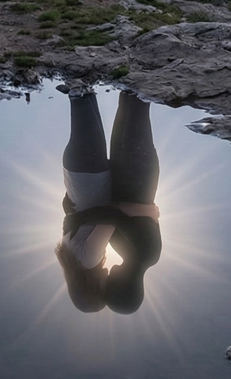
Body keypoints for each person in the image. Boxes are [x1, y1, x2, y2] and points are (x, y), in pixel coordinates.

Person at [56, 86, 162, 314]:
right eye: (111, 289)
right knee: (133, 102)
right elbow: (110, 216)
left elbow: (114, 214)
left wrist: (148, 211)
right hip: (133, 175)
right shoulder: (143, 255)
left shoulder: (123, 254)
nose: (108, 281)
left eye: (105, 288)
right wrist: (74, 214)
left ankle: (132, 70)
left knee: (132, 103)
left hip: (127, 177)